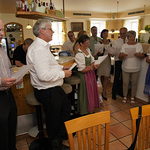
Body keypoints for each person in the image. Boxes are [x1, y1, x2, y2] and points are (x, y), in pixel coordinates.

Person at [26, 19, 72, 150]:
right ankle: (55, 144)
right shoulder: (39, 49)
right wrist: (64, 74)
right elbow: (44, 75)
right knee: (54, 120)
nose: (53, 31)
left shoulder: (43, 47)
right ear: (42, 31)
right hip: (47, 91)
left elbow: (50, 66)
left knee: (65, 111)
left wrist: (61, 68)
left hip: (53, 88)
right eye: (50, 29)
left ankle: (58, 139)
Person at [0, 19, 22, 150]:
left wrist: (14, 78)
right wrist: (1, 81)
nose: (1, 33)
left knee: (11, 126)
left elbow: (8, 69)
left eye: (2, 29)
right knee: (2, 132)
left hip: (9, 94)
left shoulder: (2, 49)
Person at [75, 35, 100, 115]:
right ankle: (84, 110)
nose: (88, 44)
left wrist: (93, 65)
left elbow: (92, 60)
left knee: (91, 90)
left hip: (90, 74)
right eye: (86, 43)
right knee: (85, 93)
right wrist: (92, 66)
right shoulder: (79, 54)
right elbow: (82, 70)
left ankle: (91, 108)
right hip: (84, 76)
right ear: (81, 44)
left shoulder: (88, 50)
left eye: (88, 42)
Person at [119, 30, 145, 103]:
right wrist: (123, 55)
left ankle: (132, 97)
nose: (132, 38)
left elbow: (143, 56)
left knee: (134, 83)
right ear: (127, 37)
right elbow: (120, 57)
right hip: (126, 67)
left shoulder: (139, 45)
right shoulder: (124, 45)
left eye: (133, 37)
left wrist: (139, 55)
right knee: (125, 83)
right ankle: (125, 96)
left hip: (136, 67)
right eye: (130, 37)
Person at [97, 29, 117, 100]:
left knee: (106, 76)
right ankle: (103, 89)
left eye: (106, 33)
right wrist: (98, 53)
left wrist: (111, 54)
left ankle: (104, 91)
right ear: (102, 34)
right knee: (101, 76)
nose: (105, 34)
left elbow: (113, 51)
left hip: (107, 60)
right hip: (101, 60)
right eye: (104, 33)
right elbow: (97, 53)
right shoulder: (99, 42)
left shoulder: (110, 42)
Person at [112, 27, 127, 100]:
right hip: (118, 61)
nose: (123, 35)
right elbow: (113, 52)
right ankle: (114, 93)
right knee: (117, 77)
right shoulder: (116, 42)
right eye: (121, 33)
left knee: (124, 78)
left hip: (126, 61)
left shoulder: (129, 41)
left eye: (124, 33)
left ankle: (120, 92)